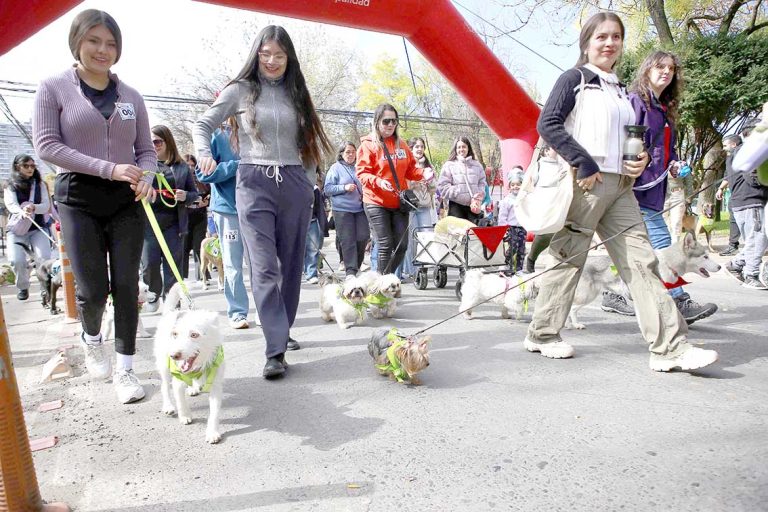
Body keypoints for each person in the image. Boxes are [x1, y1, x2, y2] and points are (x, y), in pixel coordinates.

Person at [526, 12, 718, 371]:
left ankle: (670, 349)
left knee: (643, 261)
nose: (609, 43)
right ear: (587, 42)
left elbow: (627, 137)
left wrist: (641, 158)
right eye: (602, 36)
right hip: (587, 183)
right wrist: (583, 162)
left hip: (622, 186)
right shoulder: (575, 79)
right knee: (569, 260)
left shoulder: (617, 87)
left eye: (616, 36)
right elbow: (548, 124)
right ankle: (542, 334)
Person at [194, 25, 332, 378]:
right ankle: (275, 350)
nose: (272, 61)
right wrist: (202, 154)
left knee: (290, 266)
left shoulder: (299, 94)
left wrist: (309, 180)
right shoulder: (238, 90)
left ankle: (282, 331)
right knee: (264, 268)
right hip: (253, 182)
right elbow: (202, 124)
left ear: (289, 59)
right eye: (265, 54)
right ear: (256, 55)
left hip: (294, 182)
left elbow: (310, 141)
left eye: (280, 55)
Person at [33, 9, 156, 403]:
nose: (103, 50)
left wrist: (148, 176)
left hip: (126, 199)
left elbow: (146, 151)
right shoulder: (52, 88)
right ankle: (91, 337)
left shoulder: (131, 97)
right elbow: (47, 146)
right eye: (94, 41)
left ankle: (126, 370)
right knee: (92, 290)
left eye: (111, 43)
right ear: (77, 43)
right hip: (77, 196)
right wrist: (108, 167)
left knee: (126, 285)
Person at [601, 51, 718, 324]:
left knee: (632, 247)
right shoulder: (634, 102)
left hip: (654, 189)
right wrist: (633, 164)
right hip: (634, 187)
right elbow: (622, 142)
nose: (666, 72)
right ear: (647, 69)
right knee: (664, 243)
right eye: (660, 67)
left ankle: (612, 292)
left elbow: (667, 150)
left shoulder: (664, 109)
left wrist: (675, 164)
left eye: (670, 69)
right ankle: (679, 301)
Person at [356, 104, 430, 275]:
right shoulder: (368, 145)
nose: (390, 125)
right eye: (386, 121)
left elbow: (411, 171)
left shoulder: (402, 145)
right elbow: (362, 173)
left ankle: (383, 280)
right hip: (376, 202)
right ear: (377, 122)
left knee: (402, 246)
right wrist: (379, 181)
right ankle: (381, 286)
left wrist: (424, 173)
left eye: (394, 121)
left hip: (399, 202)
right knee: (385, 243)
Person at [196, 117, 253, 329]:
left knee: (262, 265)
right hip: (228, 210)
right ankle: (238, 312)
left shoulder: (258, 132)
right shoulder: (216, 135)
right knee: (232, 264)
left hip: (258, 208)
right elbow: (202, 173)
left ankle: (268, 312)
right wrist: (236, 166)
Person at [141, 125, 199, 311]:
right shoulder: (143, 165)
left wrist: (185, 196)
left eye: (157, 141)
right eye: (150, 142)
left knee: (173, 265)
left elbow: (194, 193)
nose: (154, 145)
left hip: (175, 224)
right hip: (149, 224)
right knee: (149, 263)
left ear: (167, 142)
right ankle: (153, 293)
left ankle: (172, 301)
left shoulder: (182, 167)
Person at [718, 134, 768, 290]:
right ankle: (750, 275)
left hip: (743, 201)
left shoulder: (738, 153)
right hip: (750, 201)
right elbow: (752, 178)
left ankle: (736, 264)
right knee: (757, 239)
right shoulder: (745, 152)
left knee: (755, 239)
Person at [4, 154, 53, 300]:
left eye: (33, 166)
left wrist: (33, 207)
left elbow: (45, 206)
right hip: (17, 229)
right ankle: (23, 287)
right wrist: (22, 211)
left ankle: (45, 288)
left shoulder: (40, 184)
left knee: (43, 259)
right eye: (26, 166)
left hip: (37, 228)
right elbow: (11, 204)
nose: (30, 169)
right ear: (17, 167)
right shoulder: (10, 185)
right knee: (16, 260)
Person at [324, 142, 369, 276]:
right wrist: (344, 188)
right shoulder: (335, 168)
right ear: (341, 154)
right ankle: (350, 271)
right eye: (347, 152)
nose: (350, 155)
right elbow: (327, 189)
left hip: (360, 208)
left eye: (353, 152)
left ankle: (357, 265)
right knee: (348, 240)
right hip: (342, 210)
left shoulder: (359, 167)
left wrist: (364, 195)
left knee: (363, 237)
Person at [522, 143, 568, 274]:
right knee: (544, 234)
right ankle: (531, 258)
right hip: (543, 203)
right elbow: (530, 184)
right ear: (547, 151)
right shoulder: (539, 165)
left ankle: (557, 264)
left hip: (559, 203)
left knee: (561, 232)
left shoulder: (563, 165)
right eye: (554, 148)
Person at [401, 137, 436, 277]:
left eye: (421, 146)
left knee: (426, 237)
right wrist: (413, 183)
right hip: (410, 206)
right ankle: (410, 270)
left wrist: (429, 183)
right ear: (410, 149)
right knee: (411, 239)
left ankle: (423, 267)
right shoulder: (405, 165)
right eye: (416, 147)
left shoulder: (428, 167)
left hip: (425, 206)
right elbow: (403, 185)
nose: (420, 149)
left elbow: (434, 188)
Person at [436, 136, 487, 224]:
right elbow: (442, 186)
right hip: (456, 207)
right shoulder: (449, 165)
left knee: (473, 235)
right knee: (458, 235)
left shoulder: (477, 165)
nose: (461, 149)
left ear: (468, 148)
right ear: (455, 149)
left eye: (464, 146)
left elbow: (482, 183)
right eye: (459, 147)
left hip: (473, 207)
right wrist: (457, 191)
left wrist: (477, 197)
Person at [182, 153, 212, 284]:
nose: (190, 168)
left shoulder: (202, 178)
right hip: (184, 216)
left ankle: (203, 276)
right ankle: (181, 277)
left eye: (192, 165)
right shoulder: (179, 178)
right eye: (187, 165)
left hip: (200, 215)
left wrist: (206, 201)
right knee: (183, 247)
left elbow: (211, 192)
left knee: (199, 246)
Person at [497, 168, 526, 272]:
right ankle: (506, 265)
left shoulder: (524, 198)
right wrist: (503, 229)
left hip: (522, 227)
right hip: (510, 228)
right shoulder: (507, 201)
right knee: (512, 248)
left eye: (518, 184)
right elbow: (502, 216)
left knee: (521, 249)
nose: (515, 187)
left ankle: (519, 269)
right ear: (509, 187)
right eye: (513, 185)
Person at [304, 173, 328, 284]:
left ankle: (311, 273)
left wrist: (324, 228)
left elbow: (320, 210)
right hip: (294, 223)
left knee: (313, 249)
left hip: (312, 221)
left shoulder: (315, 190)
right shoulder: (290, 187)